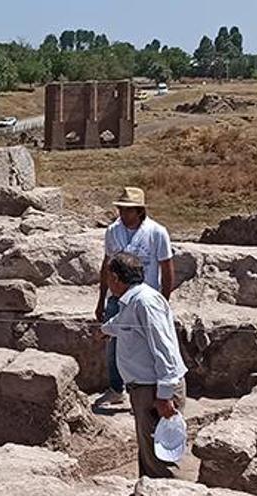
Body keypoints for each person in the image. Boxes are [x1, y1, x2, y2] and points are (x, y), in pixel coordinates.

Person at [100, 253, 189, 479]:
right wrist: (103, 331)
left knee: (161, 458)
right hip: (146, 388)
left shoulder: (145, 302)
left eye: (108, 277)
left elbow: (165, 349)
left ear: (115, 277)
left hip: (155, 389)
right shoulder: (133, 301)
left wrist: (165, 396)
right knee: (149, 455)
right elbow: (122, 324)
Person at [95, 187, 175, 407]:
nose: (122, 213)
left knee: (148, 345)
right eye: (121, 208)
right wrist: (101, 297)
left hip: (145, 300)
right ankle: (116, 388)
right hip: (118, 298)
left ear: (139, 211)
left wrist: (164, 300)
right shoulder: (113, 231)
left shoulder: (157, 232)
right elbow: (107, 263)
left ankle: (151, 392)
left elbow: (166, 268)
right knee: (114, 344)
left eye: (128, 209)